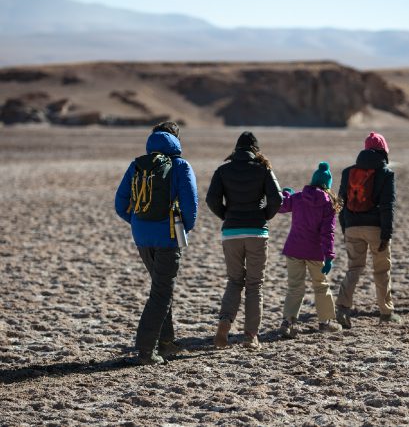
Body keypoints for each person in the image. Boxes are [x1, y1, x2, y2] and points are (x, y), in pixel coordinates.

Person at [115, 121, 198, 365]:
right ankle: (145, 349)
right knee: (162, 292)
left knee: (161, 287)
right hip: (168, 237)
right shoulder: (180, 166)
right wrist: (183, 229)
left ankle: (166, 342)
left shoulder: (136, 166)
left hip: (141, 237)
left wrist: (138, 222)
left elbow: (120, 204)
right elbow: (191, 206)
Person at [206, 131, 283, 350]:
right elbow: (277, 198)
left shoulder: (223, 170)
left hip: (231, 233)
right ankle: (251, 336)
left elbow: (211, 199)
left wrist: (226, 215)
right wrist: (265, 215)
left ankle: (224, 323)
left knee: (234, 281)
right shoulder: (263, 169)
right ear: (255, 150)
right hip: (256, 232)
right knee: (254, 284)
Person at [335, 132, 399, 329]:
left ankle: (342, 309)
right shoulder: (386, 173)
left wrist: (345, 227)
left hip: (352, 227)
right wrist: (386, 234)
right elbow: (388, 206)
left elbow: (340, 203)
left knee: (354, 268)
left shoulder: (348, 172)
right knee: (381, 270)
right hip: (375, 228)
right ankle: (386, 313)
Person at [277, 162, 343, 338]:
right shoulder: (328, 204)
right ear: (327, 185)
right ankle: (325, 322)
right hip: (315, 253)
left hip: (294, 249)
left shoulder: (298, 197)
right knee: (321, 286)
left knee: (294, 287)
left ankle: (288, 322)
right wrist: (329, 256)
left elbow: (281, 206)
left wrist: (286, 194)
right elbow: (327, 233)